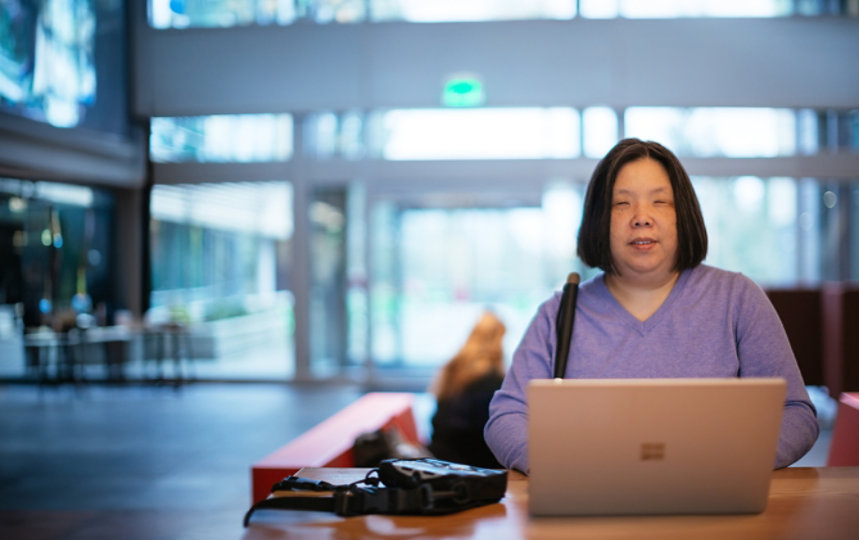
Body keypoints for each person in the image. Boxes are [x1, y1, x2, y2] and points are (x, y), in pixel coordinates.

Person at [484, 138, 819, 473]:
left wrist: (733, 465)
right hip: (591, 506)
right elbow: (507, 416)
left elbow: (795, 412)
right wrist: (557, 468)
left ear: (682, 215)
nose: (641, 217)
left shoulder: (738, 299)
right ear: (599, 218)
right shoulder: (558, 315)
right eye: (621, 204)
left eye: (660, 201)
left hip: (715, 502)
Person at [429, 311, 507, 469]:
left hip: (441, 456)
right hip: (474, 464)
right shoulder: (492, 378)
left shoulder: (452, 366)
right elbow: (487, 433)